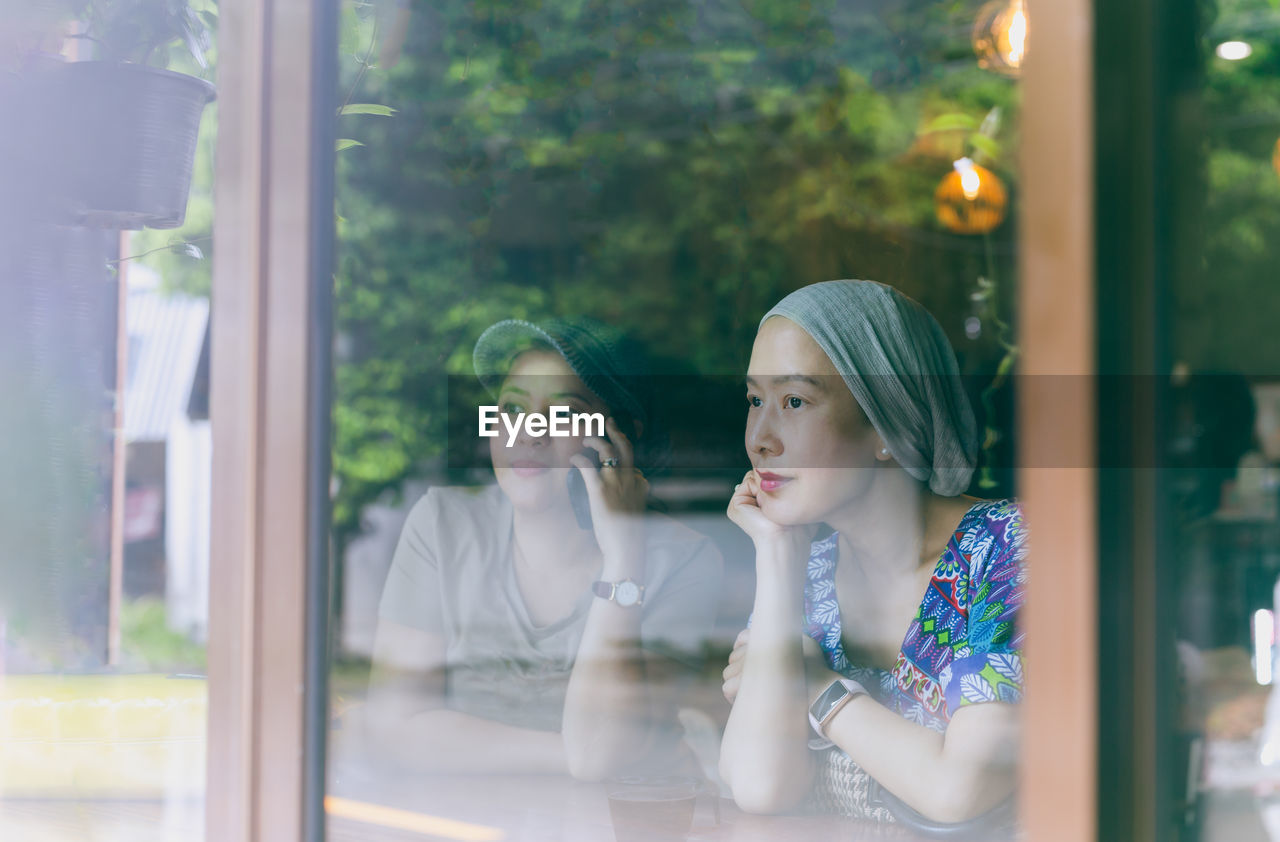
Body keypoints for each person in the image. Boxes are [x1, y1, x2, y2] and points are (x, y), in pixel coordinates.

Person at [718, 280, 1027, 824]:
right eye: (754, 400)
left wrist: (814, 685)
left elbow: (957, 791)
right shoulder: (805, 573)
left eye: (794, 401)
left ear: (888, 423)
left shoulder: (1006, 551)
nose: (760, 438)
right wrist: (773, 555)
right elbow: (759, 785)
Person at [366, 317, 723, 781]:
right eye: (512, 410)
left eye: (565, 414)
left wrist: (622, 557)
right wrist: (570, 753)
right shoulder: (441, 526)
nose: (529, 433)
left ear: (621, 438)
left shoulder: (684, 561)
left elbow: (602, 756)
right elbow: (394, 727)